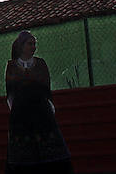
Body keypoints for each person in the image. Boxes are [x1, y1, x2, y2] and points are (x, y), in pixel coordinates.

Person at [4, 31, 72, 174]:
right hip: (20, 116)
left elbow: (47, 89)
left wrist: (49, 109)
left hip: (42, 113)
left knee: (50, 151)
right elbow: (10, 92)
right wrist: (15, 112)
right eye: (30, 44)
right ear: (21, 46)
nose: (33, 47)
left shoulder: (40, 64)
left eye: (34, 44)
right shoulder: (11, 66)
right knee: (23, 154)